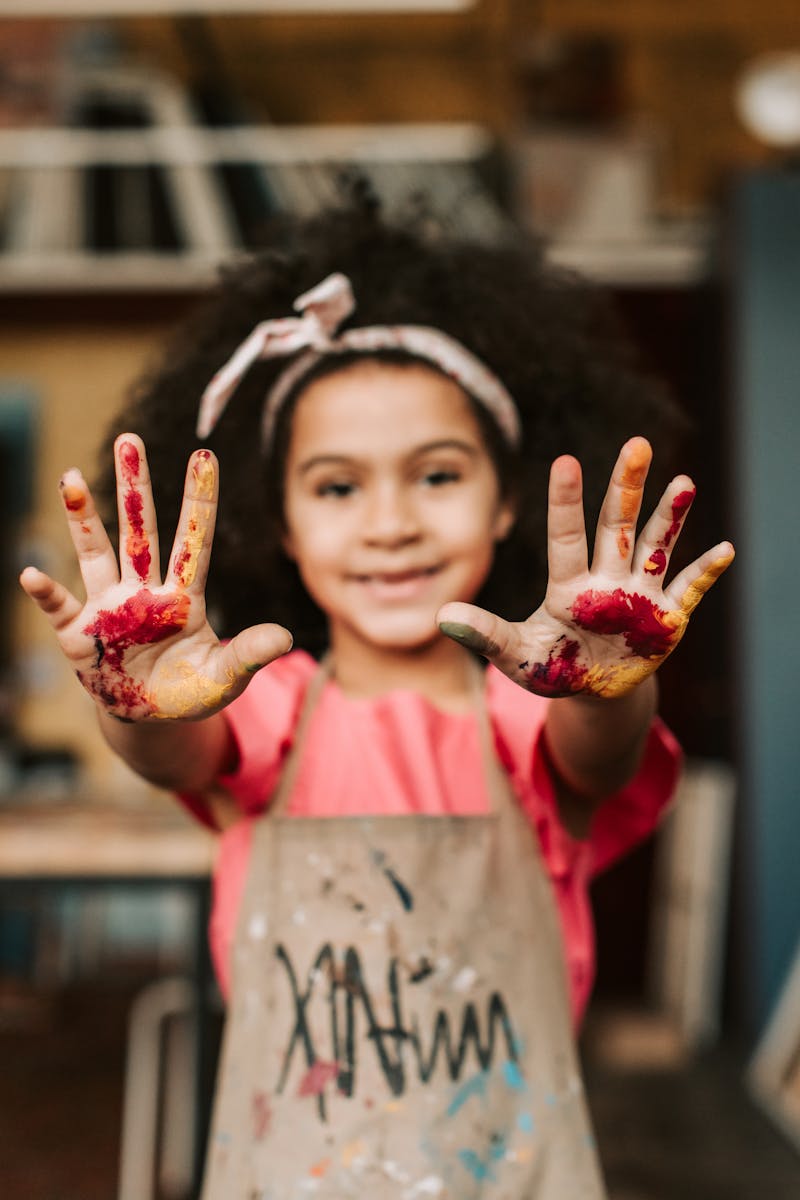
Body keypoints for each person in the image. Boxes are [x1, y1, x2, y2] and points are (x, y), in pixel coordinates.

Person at [20, 202, 733, 1198]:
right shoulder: (270, 710)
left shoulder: (521, 713)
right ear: (280, 526)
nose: (390, 522)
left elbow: (597, 751)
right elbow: (181, 753)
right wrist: (138, 707)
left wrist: (608, 683)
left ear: (504, 499)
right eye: (337, 487)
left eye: (436, 474)